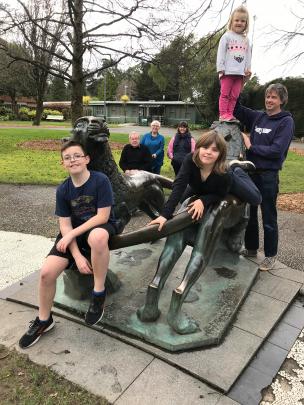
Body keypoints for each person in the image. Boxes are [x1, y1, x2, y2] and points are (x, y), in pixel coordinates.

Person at [137, 130, 261, 333]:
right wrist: (165, 216)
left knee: (255, 199)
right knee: (176, 233)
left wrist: (203, 200)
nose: (209, 152)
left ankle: (239, 167)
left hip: (227, 184)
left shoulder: (224, 173)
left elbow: (220, 194)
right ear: (198, 148)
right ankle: (151, 303)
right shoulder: (190, 161)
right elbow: (178, 186)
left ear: (220, 154)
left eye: (215, 150)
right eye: (205, 147)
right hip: (198, 189)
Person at [19, 140, 118, 349]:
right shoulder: (63, 189)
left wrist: (73, 234)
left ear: (86, 159)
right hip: (71, 235)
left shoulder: (100, 181)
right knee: (46, 273)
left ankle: (98, 293)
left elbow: (102, 216)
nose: (72, 160)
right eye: (67, 157)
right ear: (62, 163)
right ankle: (45, 320)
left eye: (77, 155)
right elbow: (64, 224)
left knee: (97, 237)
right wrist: (78, 255)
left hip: (98, 226)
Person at [234, 83, 295, 271]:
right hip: (250, 172)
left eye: (274, 97)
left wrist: (251, 147)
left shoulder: (286, 122)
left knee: (268, 216)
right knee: (250, 214)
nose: (269, 100)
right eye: (268, 96)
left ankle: (270, 256)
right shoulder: (258, 116)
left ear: (281, 101)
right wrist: (240, 82)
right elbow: (235, 107)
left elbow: (277, 151)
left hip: (268, 176)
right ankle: (251, 248)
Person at [216, 5, 252, 121]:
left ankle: (230, 114)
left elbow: (248, 56)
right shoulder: (226, 36)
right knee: (225, 94)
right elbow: (220, 52)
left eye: (242, 21)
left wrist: (248, 69)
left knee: (234, 95)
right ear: (231, 21)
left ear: (246, 23)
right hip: (227, 72)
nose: (239, 23)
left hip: (240, 74)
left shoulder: (246, 40)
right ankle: (223, 114)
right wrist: (220, 67)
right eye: (237, 20)